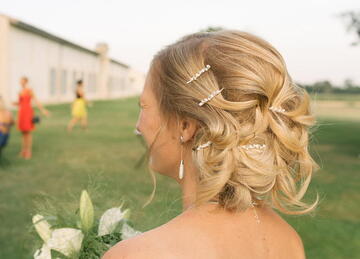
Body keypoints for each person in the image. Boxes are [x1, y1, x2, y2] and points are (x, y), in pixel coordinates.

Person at [103, 30, 318, 259]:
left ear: (185, 125)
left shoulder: (137, 255)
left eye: (144, 107)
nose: (139, 126)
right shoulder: (288, 240)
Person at [14, 77, 49, 159]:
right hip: (21, 112)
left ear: (26, 82)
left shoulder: (30, 90)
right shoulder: (20, 92)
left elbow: (36, 101)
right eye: (20, 81)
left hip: (28, 112)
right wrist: (14, 103)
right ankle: (23, 150)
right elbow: (20, 103)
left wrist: (43, 110)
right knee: (23, 133)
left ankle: (29, 151)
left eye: (22, 81)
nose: (21, 82)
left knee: (28, 133)